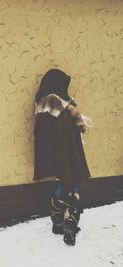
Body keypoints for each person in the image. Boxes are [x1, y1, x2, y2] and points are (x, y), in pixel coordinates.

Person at [33, 69, 91, 246]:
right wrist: (75, 115)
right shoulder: (56, 102)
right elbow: (67, 129)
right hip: (68, 151)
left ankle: (58, 223)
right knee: (72, 183)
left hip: (55, 153)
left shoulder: (42, 103)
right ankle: (70, 223)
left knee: (62, 182)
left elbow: (42, 133)